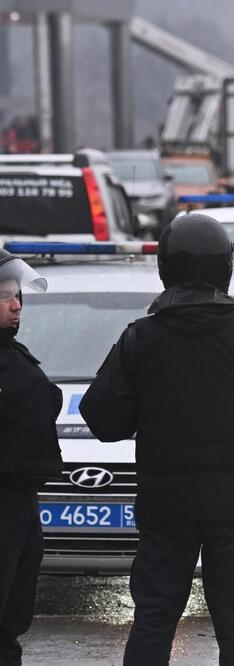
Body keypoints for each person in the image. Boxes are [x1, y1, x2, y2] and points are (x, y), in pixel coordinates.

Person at [80, 214, 234, 666]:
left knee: (153, 619)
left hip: (166, 508)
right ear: (224, 268)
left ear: (166, 268)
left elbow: (101, 419)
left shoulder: (141, 339)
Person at [0, 251, 59, 666]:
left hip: (19, 501)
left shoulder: (12, 353)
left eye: (17, 294)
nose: (16, 304)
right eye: (4, 296)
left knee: (11, 615)